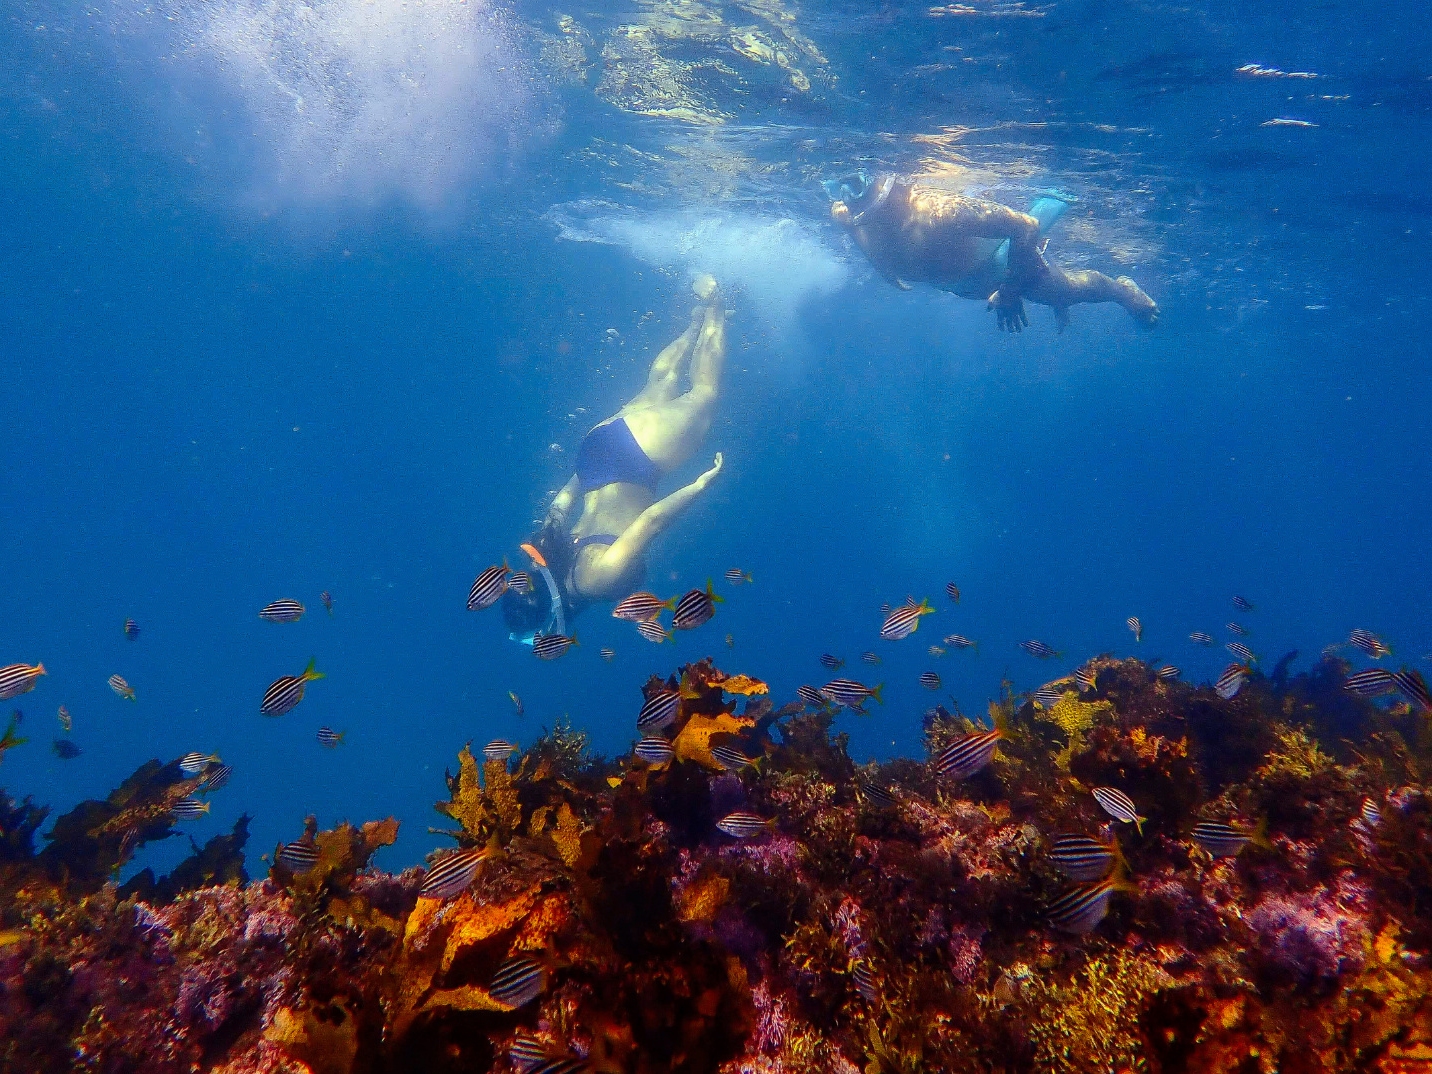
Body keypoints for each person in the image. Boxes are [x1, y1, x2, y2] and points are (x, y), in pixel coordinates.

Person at [502, 275, 726, 644]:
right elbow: (562, 501)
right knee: (660, 385)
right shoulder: (551, 555)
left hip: (637, 460)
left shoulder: (593, 580)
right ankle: (695, 321)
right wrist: (582, 470)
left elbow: (650, 522)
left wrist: (700, 485)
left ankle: (716, 303)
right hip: (594, 453)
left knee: (704, 395)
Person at [825, 172, 1159, 333]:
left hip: (998, 266)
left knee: (1066, 292)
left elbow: (1025, 226)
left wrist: (1012, 291)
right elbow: (857, 227)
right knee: (1056, 295)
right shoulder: (847, 214)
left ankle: (1123, 290)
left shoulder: (940, 212)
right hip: (961, 283)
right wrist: (887, 273)